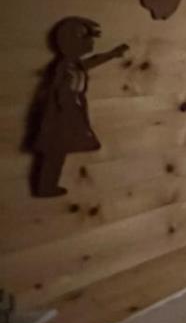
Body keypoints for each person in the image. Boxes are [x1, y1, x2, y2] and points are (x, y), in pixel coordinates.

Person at [28, 17, 128, 197]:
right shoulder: (64, 66)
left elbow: (91, 62)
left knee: (58, 151)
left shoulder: (74, 64)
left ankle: (48, 185)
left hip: (69, 110)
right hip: (61, 114)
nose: (90, 43)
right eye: (85, 39)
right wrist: (69, 108)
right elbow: (60, 89)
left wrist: (112, 54)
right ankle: (46, 186)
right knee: (55, 151)